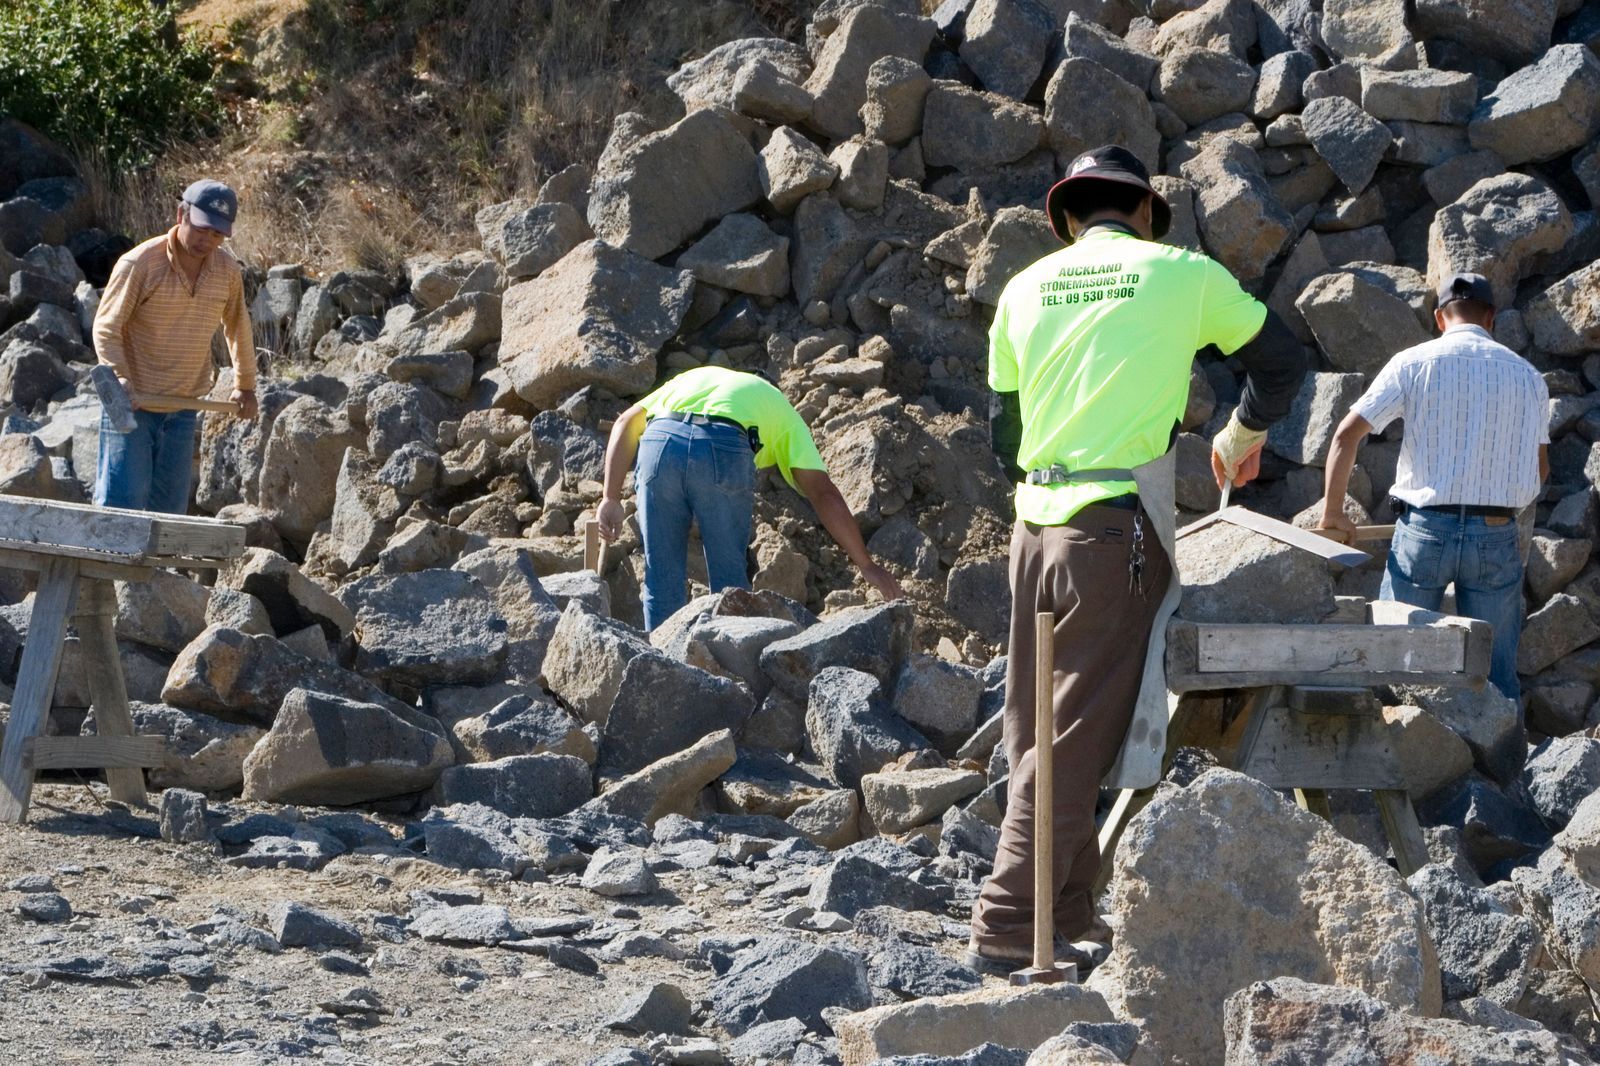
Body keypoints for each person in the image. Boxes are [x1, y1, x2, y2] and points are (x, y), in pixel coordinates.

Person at [969, 145, 1307, 973]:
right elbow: (1282, 360)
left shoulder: (1021, 290)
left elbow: (1004, 435)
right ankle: (1011, 923)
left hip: (1034, 530)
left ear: (1068, 219)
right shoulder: (1179, 272)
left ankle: (1070, 907)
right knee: (1076, 737)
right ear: (1146, 213)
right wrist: (1240, 433)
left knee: (1034, 727)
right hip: (1110, 532)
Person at [1319, 272, 1548, 702]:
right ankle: (1506, 763)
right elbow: (1539, 469)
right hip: (1496, 533)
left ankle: (1395, 747)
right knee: (1496, 675)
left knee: (1393, 658)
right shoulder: (1529, 377)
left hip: (1424, 530)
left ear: (1440, 317)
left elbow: (1346, 436)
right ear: (1492, 318)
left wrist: (1333, 513)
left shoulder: (1412, 363)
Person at [595, 365, 903, 630]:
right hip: (722, 445)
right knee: (729, 584)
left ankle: (659, 674)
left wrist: (610, 498)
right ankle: (732, 677)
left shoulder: (692, 378)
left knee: (660, 580)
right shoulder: (779, 406)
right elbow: (823, 493)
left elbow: (624, 423)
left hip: (658, 442)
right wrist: (865, 563)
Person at [92, 178, 257, 514]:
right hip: (133, 406)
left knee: (167, 517)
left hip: (182, 408)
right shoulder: (140, 264)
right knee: (121, 511)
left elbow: (238, 326)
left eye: (216, 234)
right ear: (181, 213)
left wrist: (246, 386)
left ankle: (160, 571)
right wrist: (120, 378)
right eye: (201, 229)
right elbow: (106, 328)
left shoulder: (226, 271)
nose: (207, 240)